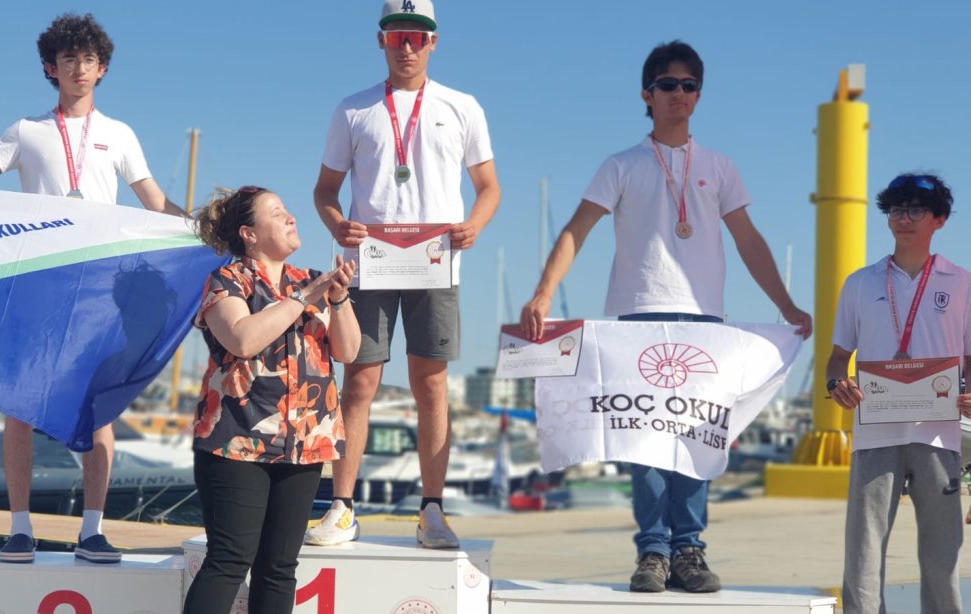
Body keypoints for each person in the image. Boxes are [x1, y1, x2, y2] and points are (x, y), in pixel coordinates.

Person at [519, 40, 811, 593]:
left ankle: (689, 550)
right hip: (638, 314)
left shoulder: (720, 166)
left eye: (690, 86)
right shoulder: (622, 163)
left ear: (699, 96)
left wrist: (786, 303)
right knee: (643, 437)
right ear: (646, 95)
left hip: (704, 318)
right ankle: (652, 551)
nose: (680, 95)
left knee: (698, 431)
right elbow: (575, 229)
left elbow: (748, 239)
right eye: (668, 85)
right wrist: (541, 293)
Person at [0, 13, 186, 564]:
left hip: (99, 290)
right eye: (68, 60)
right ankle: (20, 529)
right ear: (51, 68)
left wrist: (209, 230)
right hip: (36, 285)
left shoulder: (120, 134)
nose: (79, 68)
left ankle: (92, 529)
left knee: (99, 409)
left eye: (88, 60)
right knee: (18, 407)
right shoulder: (26, 130)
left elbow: (155, 203)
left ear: (102, 68)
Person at [308, 0, 501, 549]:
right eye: (398, 36)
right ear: (381, 41)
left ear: (434, 42)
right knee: (360, 382)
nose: (408, 46)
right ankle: (341, 508)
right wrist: (338, 222)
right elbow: (325, 190)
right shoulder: (353, 109)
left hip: (435, 262)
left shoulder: (462, 106)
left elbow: (489, 188)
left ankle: (432, 511)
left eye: (418, 36)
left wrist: (475, 226)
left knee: (431, 384)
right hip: (370, 260)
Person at [182, 186, 359, 614]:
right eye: (277, 212)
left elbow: (348, 351)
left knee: (279, 567)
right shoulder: (228, 281)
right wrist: (303, 300)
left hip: (304, 444)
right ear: (249, 233)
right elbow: (242, 339)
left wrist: (338, 298)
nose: (290, 217)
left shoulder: (311, 281)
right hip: (236, 440)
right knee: (229, 559)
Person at [826, 173, 971, 614]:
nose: (903, 219)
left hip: (940, 436)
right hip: (875, 434)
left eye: (915, 210)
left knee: (942, 556)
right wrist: (837, 385)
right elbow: (837, 358)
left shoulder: (962, 282)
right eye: (895, 210)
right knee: (864, 552)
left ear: (939, 220)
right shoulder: (860, 283)